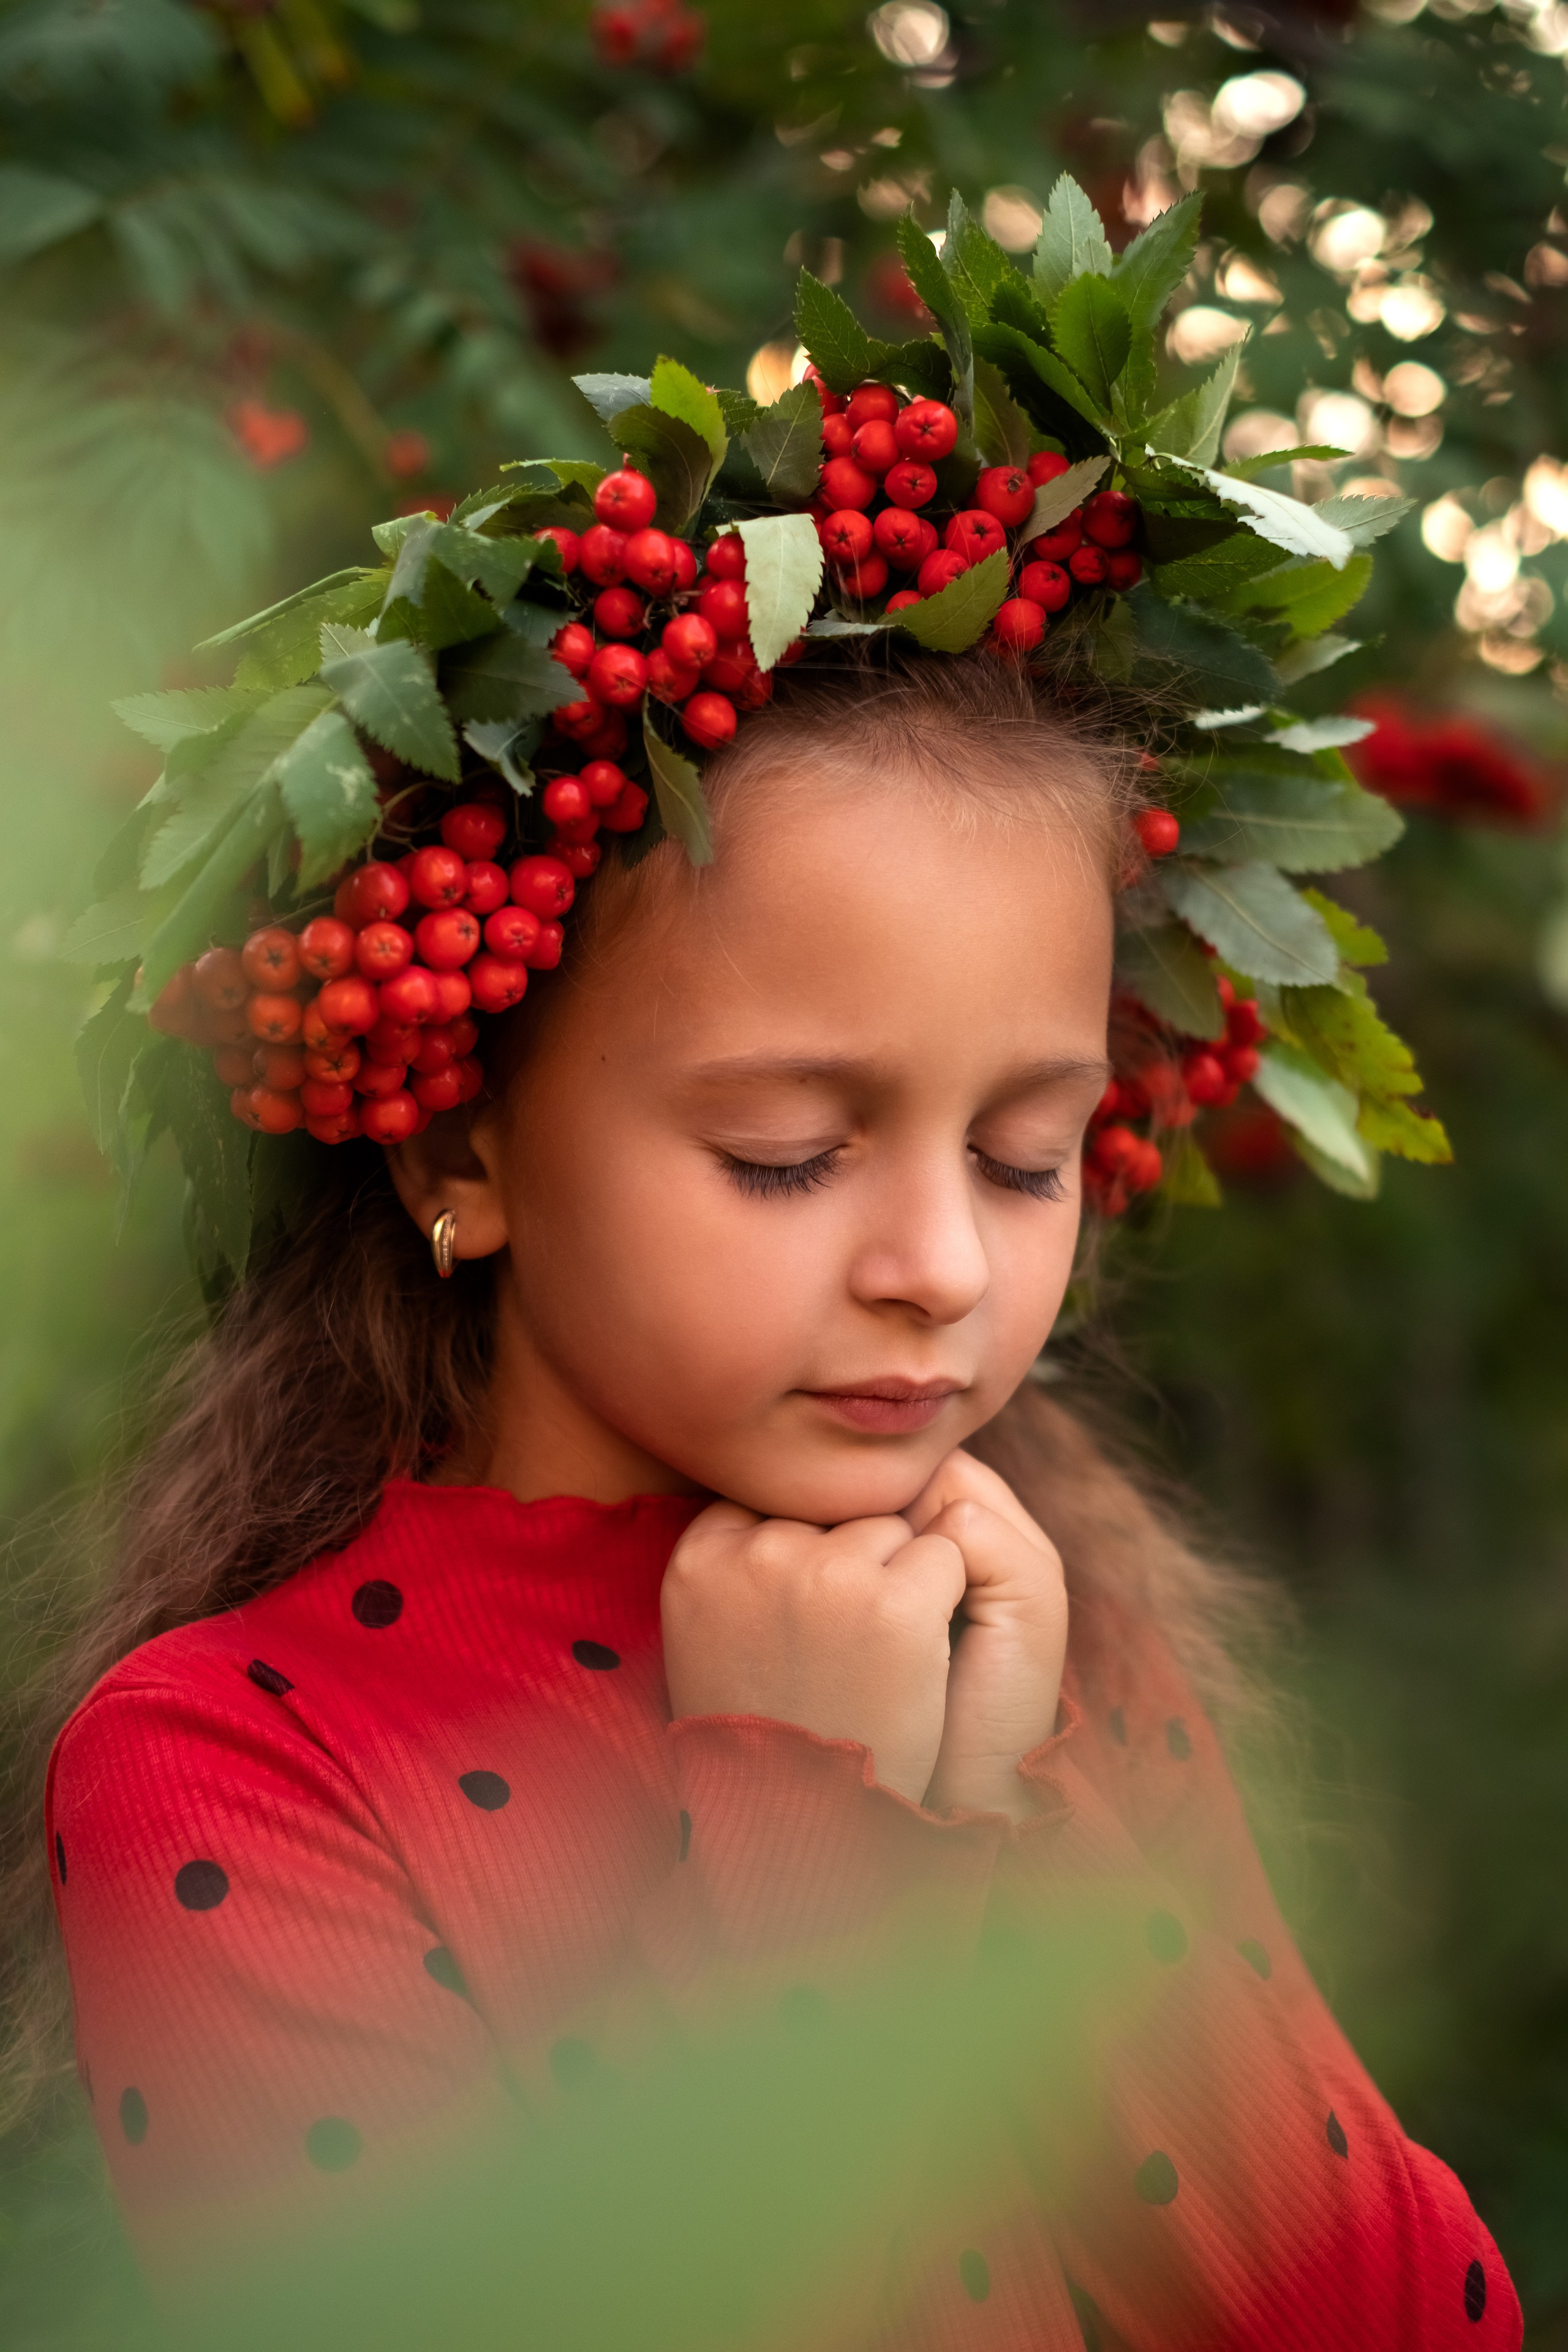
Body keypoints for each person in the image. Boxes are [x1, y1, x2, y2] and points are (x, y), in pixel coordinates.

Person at [26, 646, 1518, 2350]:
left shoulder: (1045, 1639)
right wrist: (810, 1825)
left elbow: (1415, 2322)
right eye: (787, 1156)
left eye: (1024, 1159)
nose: (943, 1268)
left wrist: (1016, 1803)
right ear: (458, 1146)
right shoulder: (230, 1764)